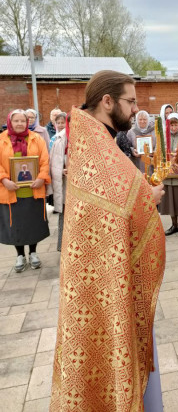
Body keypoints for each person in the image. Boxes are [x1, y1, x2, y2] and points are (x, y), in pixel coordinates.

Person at [50, 70, 165, 412]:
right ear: (107, 101)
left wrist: (141, 194)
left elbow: (116, 198)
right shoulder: (95, 144)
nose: (135, 109)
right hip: (104, 282)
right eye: (131, 101)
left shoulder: (94, 139)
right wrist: (149, 198)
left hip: (105, 276)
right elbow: (123, 201)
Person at [0, 109, 50, 272]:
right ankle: (20, 255)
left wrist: (42, 177)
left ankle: (33, 253)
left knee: (33, 224)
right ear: (10, 122)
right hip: (11, 191)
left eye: (23, 121)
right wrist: (4, 179)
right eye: (16, 121)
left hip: (33, 190)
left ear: (27, 122)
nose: (20, 124)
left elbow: (44, 160)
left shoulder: (36, 139)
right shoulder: (2, 140)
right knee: (16, 225)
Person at [48, 118, 69, 251]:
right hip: (66, 184)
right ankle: (63, 246)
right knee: (65, 214)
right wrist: (61, 170)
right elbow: (53, 164)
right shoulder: (59, 140)